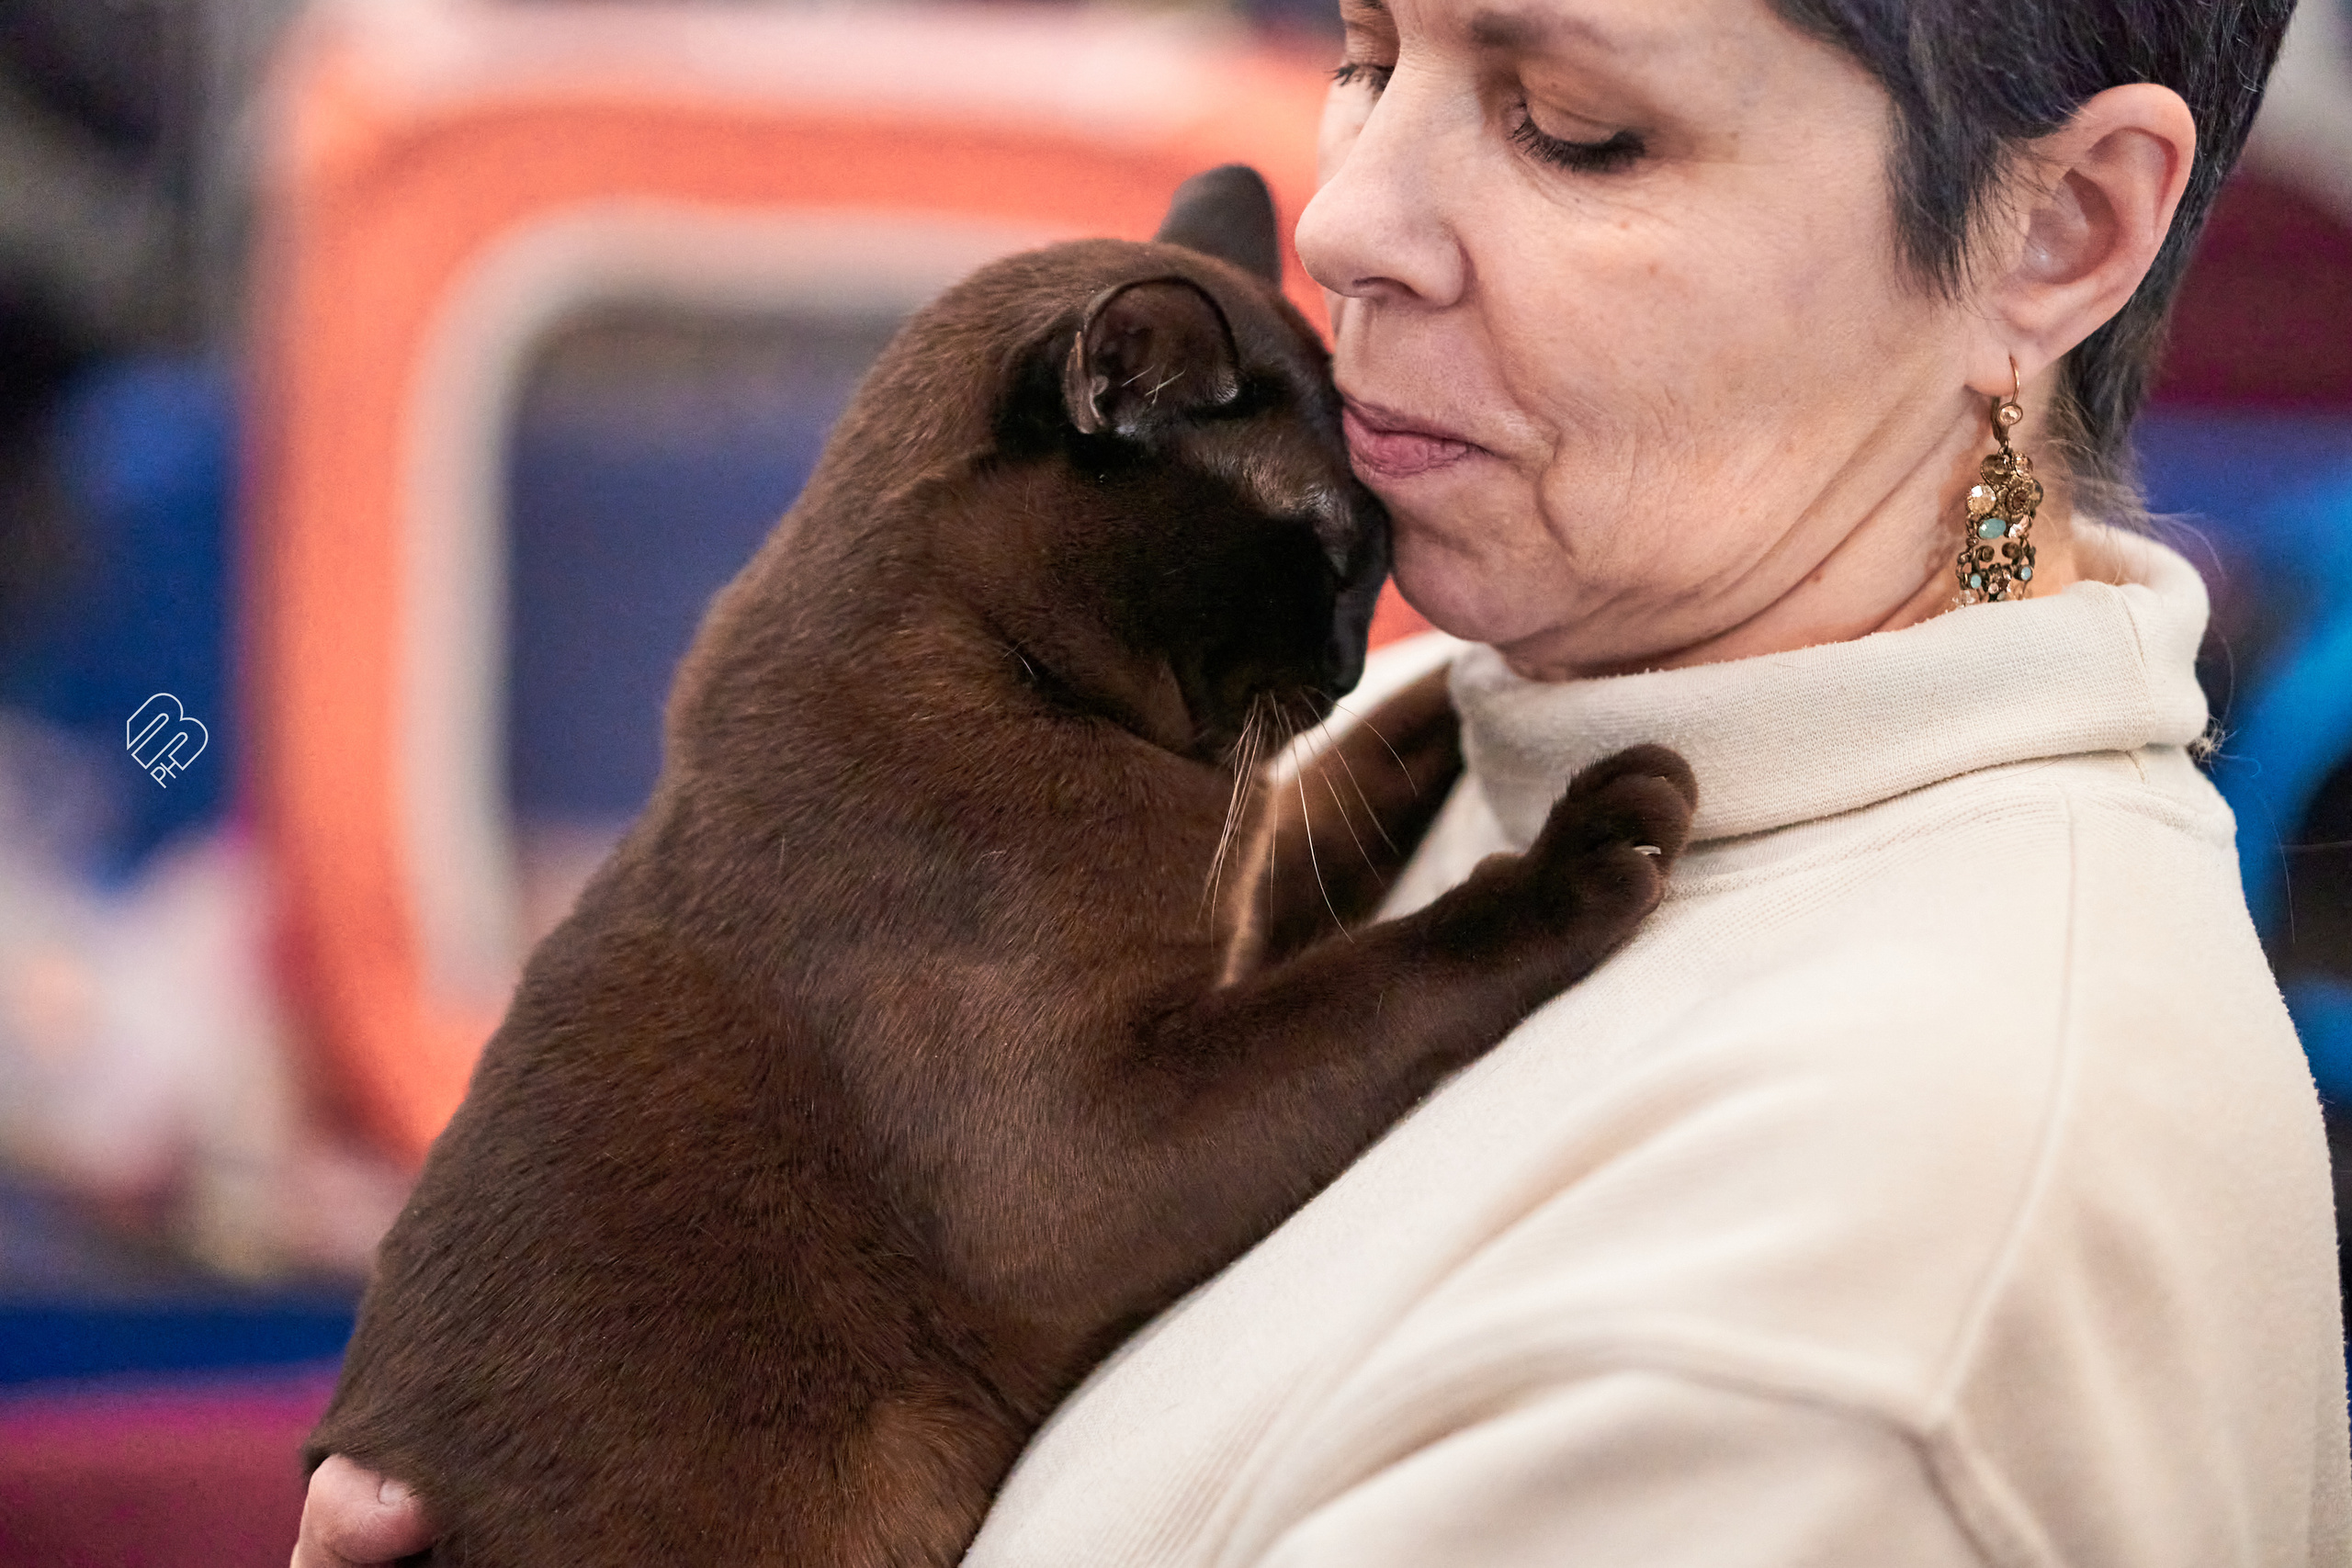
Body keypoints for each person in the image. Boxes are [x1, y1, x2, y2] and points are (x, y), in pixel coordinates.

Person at [295, 0, 2350, 1561]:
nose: (1346, 220)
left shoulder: (1857, 1315)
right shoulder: (1486, 704)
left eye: (1570, 125)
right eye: (1366, 50)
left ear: (2057, 230)